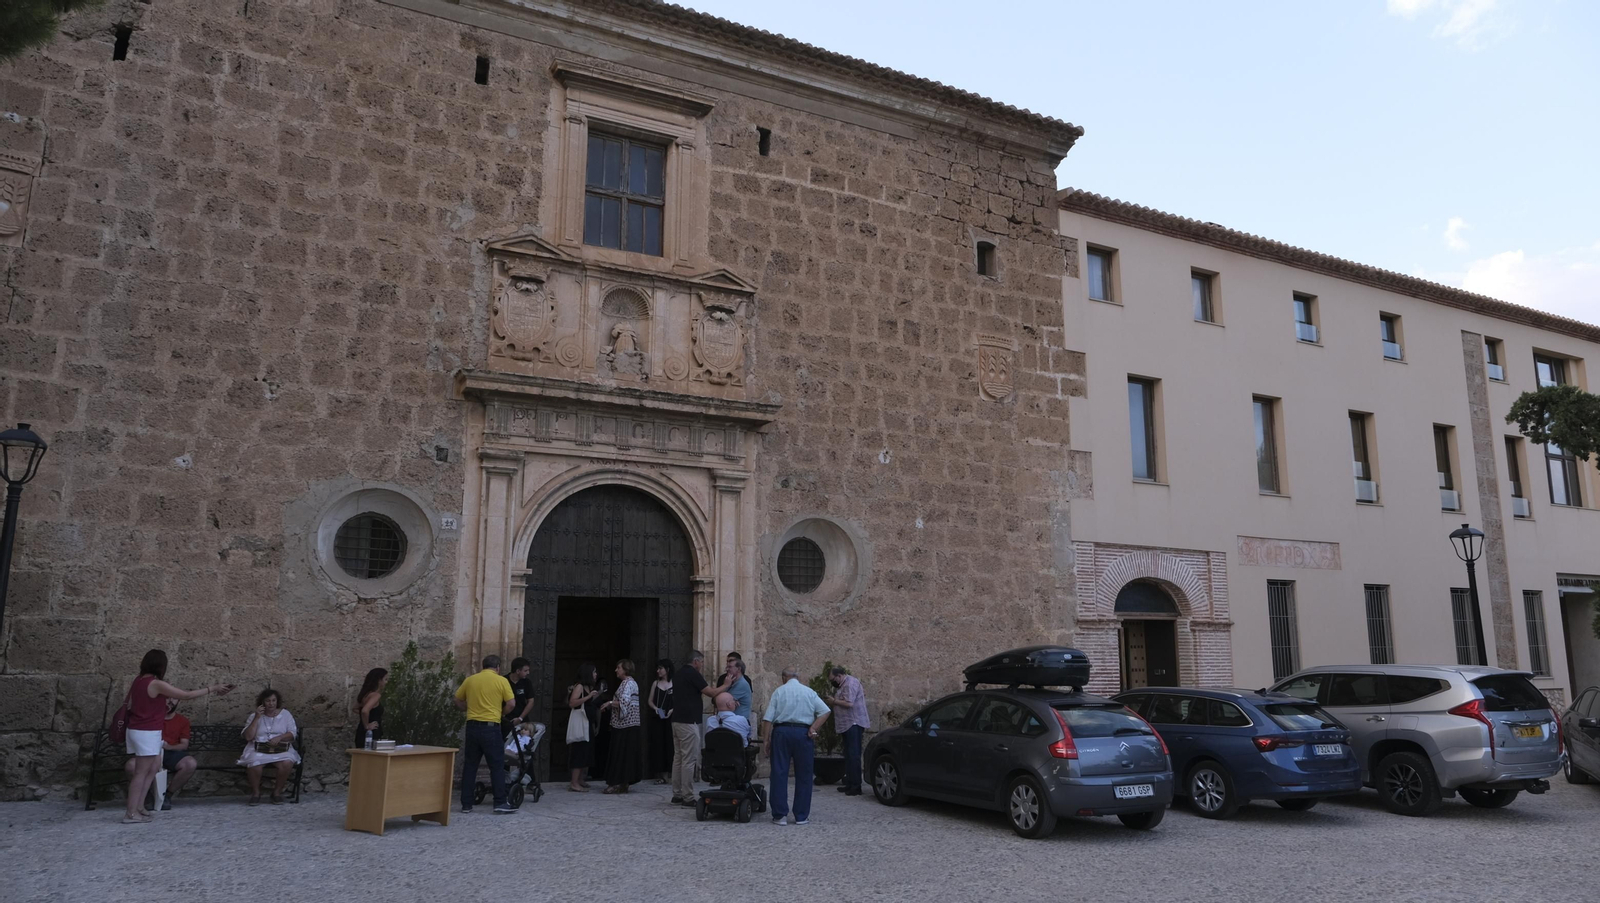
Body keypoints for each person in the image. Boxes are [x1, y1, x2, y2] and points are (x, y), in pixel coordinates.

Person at [120, 650, 231, 824]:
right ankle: (130, 813)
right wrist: (212, 688)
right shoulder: (155, 683)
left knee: (152, 768)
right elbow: (185, 695)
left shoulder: (138, 681)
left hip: (141, 730)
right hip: (146, 732)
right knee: (141, 773)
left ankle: (140, 807)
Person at [760, 666, 833, 826]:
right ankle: (801, 816)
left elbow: (768, 718)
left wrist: (766, 740)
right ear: (797, 678)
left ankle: (780, 816)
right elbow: (825, 711)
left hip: (782, 732)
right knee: (804, 774)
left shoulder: (779, 691)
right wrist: (813, 728)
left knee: (779, 773)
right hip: (803, 733)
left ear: (783, 678)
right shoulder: (809, 692)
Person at [454, 654, 518, 814]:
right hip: (491, 727)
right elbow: (511, 704)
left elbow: (457, 699)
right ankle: (500, 802)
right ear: (497, 667)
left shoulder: (471, 680)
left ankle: (466, 804)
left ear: (483, 666)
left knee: (470, 765)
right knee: (496, 766)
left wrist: (465, 709)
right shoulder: (501, 681)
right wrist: (501, 714)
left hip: (472, 726)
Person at [124, 698, 198, 812]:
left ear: (178, 702)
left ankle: (166, 795)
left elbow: (184, 745)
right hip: (150, 753)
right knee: (131, 766)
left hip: (171, 753)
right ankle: (145, 796)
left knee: (190, 763)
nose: (169, 702)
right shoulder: (149, 719)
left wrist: (170, 747)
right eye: (166, 698)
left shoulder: (182, 721)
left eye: (173, 699)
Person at [668, 650, 722, 806]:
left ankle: (677, 793)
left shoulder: (678, 674)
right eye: (702, 662)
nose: (702, 665)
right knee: (688, 760)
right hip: (688, 722)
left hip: (677, 720)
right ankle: (688, 796)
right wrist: (726, 685)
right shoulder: (692, 674)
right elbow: (710, 692)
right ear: (696, 661)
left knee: (678, 758)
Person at [239, 688, 301, 806]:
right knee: (254, 762)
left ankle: (276, 793)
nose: (271, 703)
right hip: (258, 748)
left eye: (274, 700)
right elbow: (248, 737)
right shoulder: (254, 716)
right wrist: (257, 718)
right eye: (268, 701)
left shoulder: (285, 715)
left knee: (287, 762)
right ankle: (256, 793)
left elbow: (292, 733)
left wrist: (280, 737)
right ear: (262, 703)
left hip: (280, 747)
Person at [825, 666, 871, 796]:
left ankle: (856, 786)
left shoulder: (850, 683)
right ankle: (850, 783)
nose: (832, 682)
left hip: (854, 723)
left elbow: (849, 703)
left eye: (833, 679)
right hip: (847, 724)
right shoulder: (843, 684)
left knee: (853, 754)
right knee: (848, 754)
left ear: (839, 676)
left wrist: (834, 701)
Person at [600, 659, 642, 794]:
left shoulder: (626, 683)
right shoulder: (633, 683)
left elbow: (624, 702)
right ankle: (624, 782)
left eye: (618, 667)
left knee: (619, 754)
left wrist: (609, 703)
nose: (616, 670)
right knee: (627, 754)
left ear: (625, 669)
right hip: (632, 725)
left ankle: (615, 782)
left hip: (624, 726)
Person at [565, 663, 601, 792]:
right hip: (580, 724)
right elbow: (572, 702)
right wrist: (588, 697)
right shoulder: (579, 686)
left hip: (587, 724)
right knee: (579, 752)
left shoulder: (588, 686)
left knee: (586, 752)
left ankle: (580, 779)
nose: (596, 674)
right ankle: (574, 782)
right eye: (594, 672)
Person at [646, 659, 674, 784]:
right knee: (658, 745)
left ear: (667, 669)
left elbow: (679, 700)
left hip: (671, 718)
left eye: (660, 668)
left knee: (670, 744)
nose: (658, 671)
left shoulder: (675, 683)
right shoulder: (655, 683)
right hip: (658, 718)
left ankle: (670, 773)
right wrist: (656, 709)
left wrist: (672, 710)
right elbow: (650, 701)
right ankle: (659, 774)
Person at [353, 667, 387, 750]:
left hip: (361, 732)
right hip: (371, 733)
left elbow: (355, 708)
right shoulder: (376, 695)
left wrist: (368, 717)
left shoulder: (365, 694)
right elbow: (365, 711)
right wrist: (367, 725)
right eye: (385, 679)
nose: (386, 682)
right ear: (379, 680)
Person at [502, 657, 536, 738]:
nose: (528, 673)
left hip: (522, 719)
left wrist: (520, 718)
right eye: (525, 671)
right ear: (517, 671)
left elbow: (531, 701)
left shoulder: (526, 682)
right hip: (505, 720)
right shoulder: (503, 681)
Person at [715, 655, 753, 722]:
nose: (727, 669)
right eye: (727, 667)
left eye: (730, 667)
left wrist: (725, 685)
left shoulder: (742, 684)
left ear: (738, 669)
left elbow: (721, 701)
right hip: (732, 720)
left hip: (739, 722)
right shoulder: (732, 682)